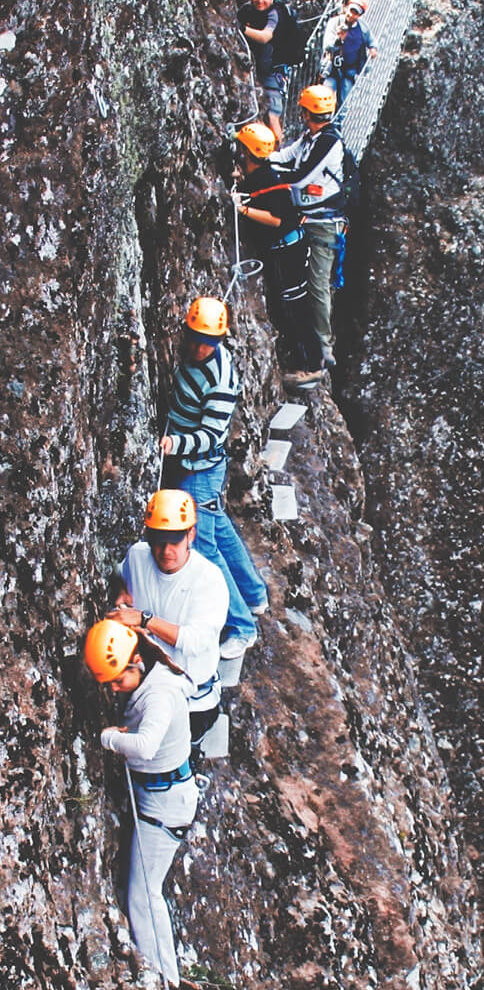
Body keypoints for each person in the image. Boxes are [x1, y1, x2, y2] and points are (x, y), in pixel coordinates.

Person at [84, 618, 200, 990]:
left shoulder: (160, 693)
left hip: (165, 803)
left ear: (136, 660)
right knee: (146, 890)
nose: (115, 689)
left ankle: (164, 979)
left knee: (144, 894)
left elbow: (146, 745)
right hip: (161, 794)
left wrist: (109, 739)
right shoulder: (148, 671)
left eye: (118, 680)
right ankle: (169, 976)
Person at [159, 297, 268, 658]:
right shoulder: (193, 356)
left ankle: (241, 626)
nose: (197, 346)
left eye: (206, 342)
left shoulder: (219, 381)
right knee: (218, 528)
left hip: (200, 469)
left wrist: (174, 443)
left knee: (203, 548)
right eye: (192, 337)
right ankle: (254, 596)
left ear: (219, 341)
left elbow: (212, 436)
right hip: (192, 465)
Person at [107, 489, 229, 765]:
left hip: (191, 700)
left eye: (175, 540)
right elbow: (119, 572)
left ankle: (191, 757)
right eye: (158, 541)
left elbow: (196, 641)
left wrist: (145, 619)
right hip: (148, 687)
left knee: (165, 758)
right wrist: (122, 592)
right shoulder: (138, 555)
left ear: (191, 535)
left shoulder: (209, 580)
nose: (165, 551)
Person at [269, 83, 359, 369]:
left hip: (324, 224)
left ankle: (323, 344)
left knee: (318, 283)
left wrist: (265, 172)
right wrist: (261, 158)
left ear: (307, 112)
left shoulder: (328, 142)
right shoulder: (311, 138)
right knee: (303, 277)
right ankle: (304, 332)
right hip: (310, 219)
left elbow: (298, 178)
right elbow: (284, 157)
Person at [233, 122, 323, 388]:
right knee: (292, 306)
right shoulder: (263, 176)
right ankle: (307, 361)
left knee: (296, 308)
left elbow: (277, 220)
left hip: (288, 252)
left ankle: (310, 367)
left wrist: (244, 211)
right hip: (287, 249)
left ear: (248, 153)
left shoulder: (269, 182)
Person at [238, 0, 287, 146]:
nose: (260, 0)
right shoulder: (247, 10)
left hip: (273, 73)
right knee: (256, 114)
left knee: (273, 116)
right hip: (256, 70)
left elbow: (265, 37)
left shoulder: (275, 13)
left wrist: (241, 29)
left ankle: (280, 154)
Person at [320, 0, 377, 104]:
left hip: (350, 70)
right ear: (346, 7)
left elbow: (371, 40)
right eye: (351, 10)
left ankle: (339, 120)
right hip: (332, 68)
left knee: (344, 100)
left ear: (360, 16)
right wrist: (339, 39)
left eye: (356, 13)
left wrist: (373, 48)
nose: (351, 15)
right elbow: (327, 46)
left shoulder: (363, 28)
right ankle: (325, 119)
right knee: (326, 96)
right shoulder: (334, 23)